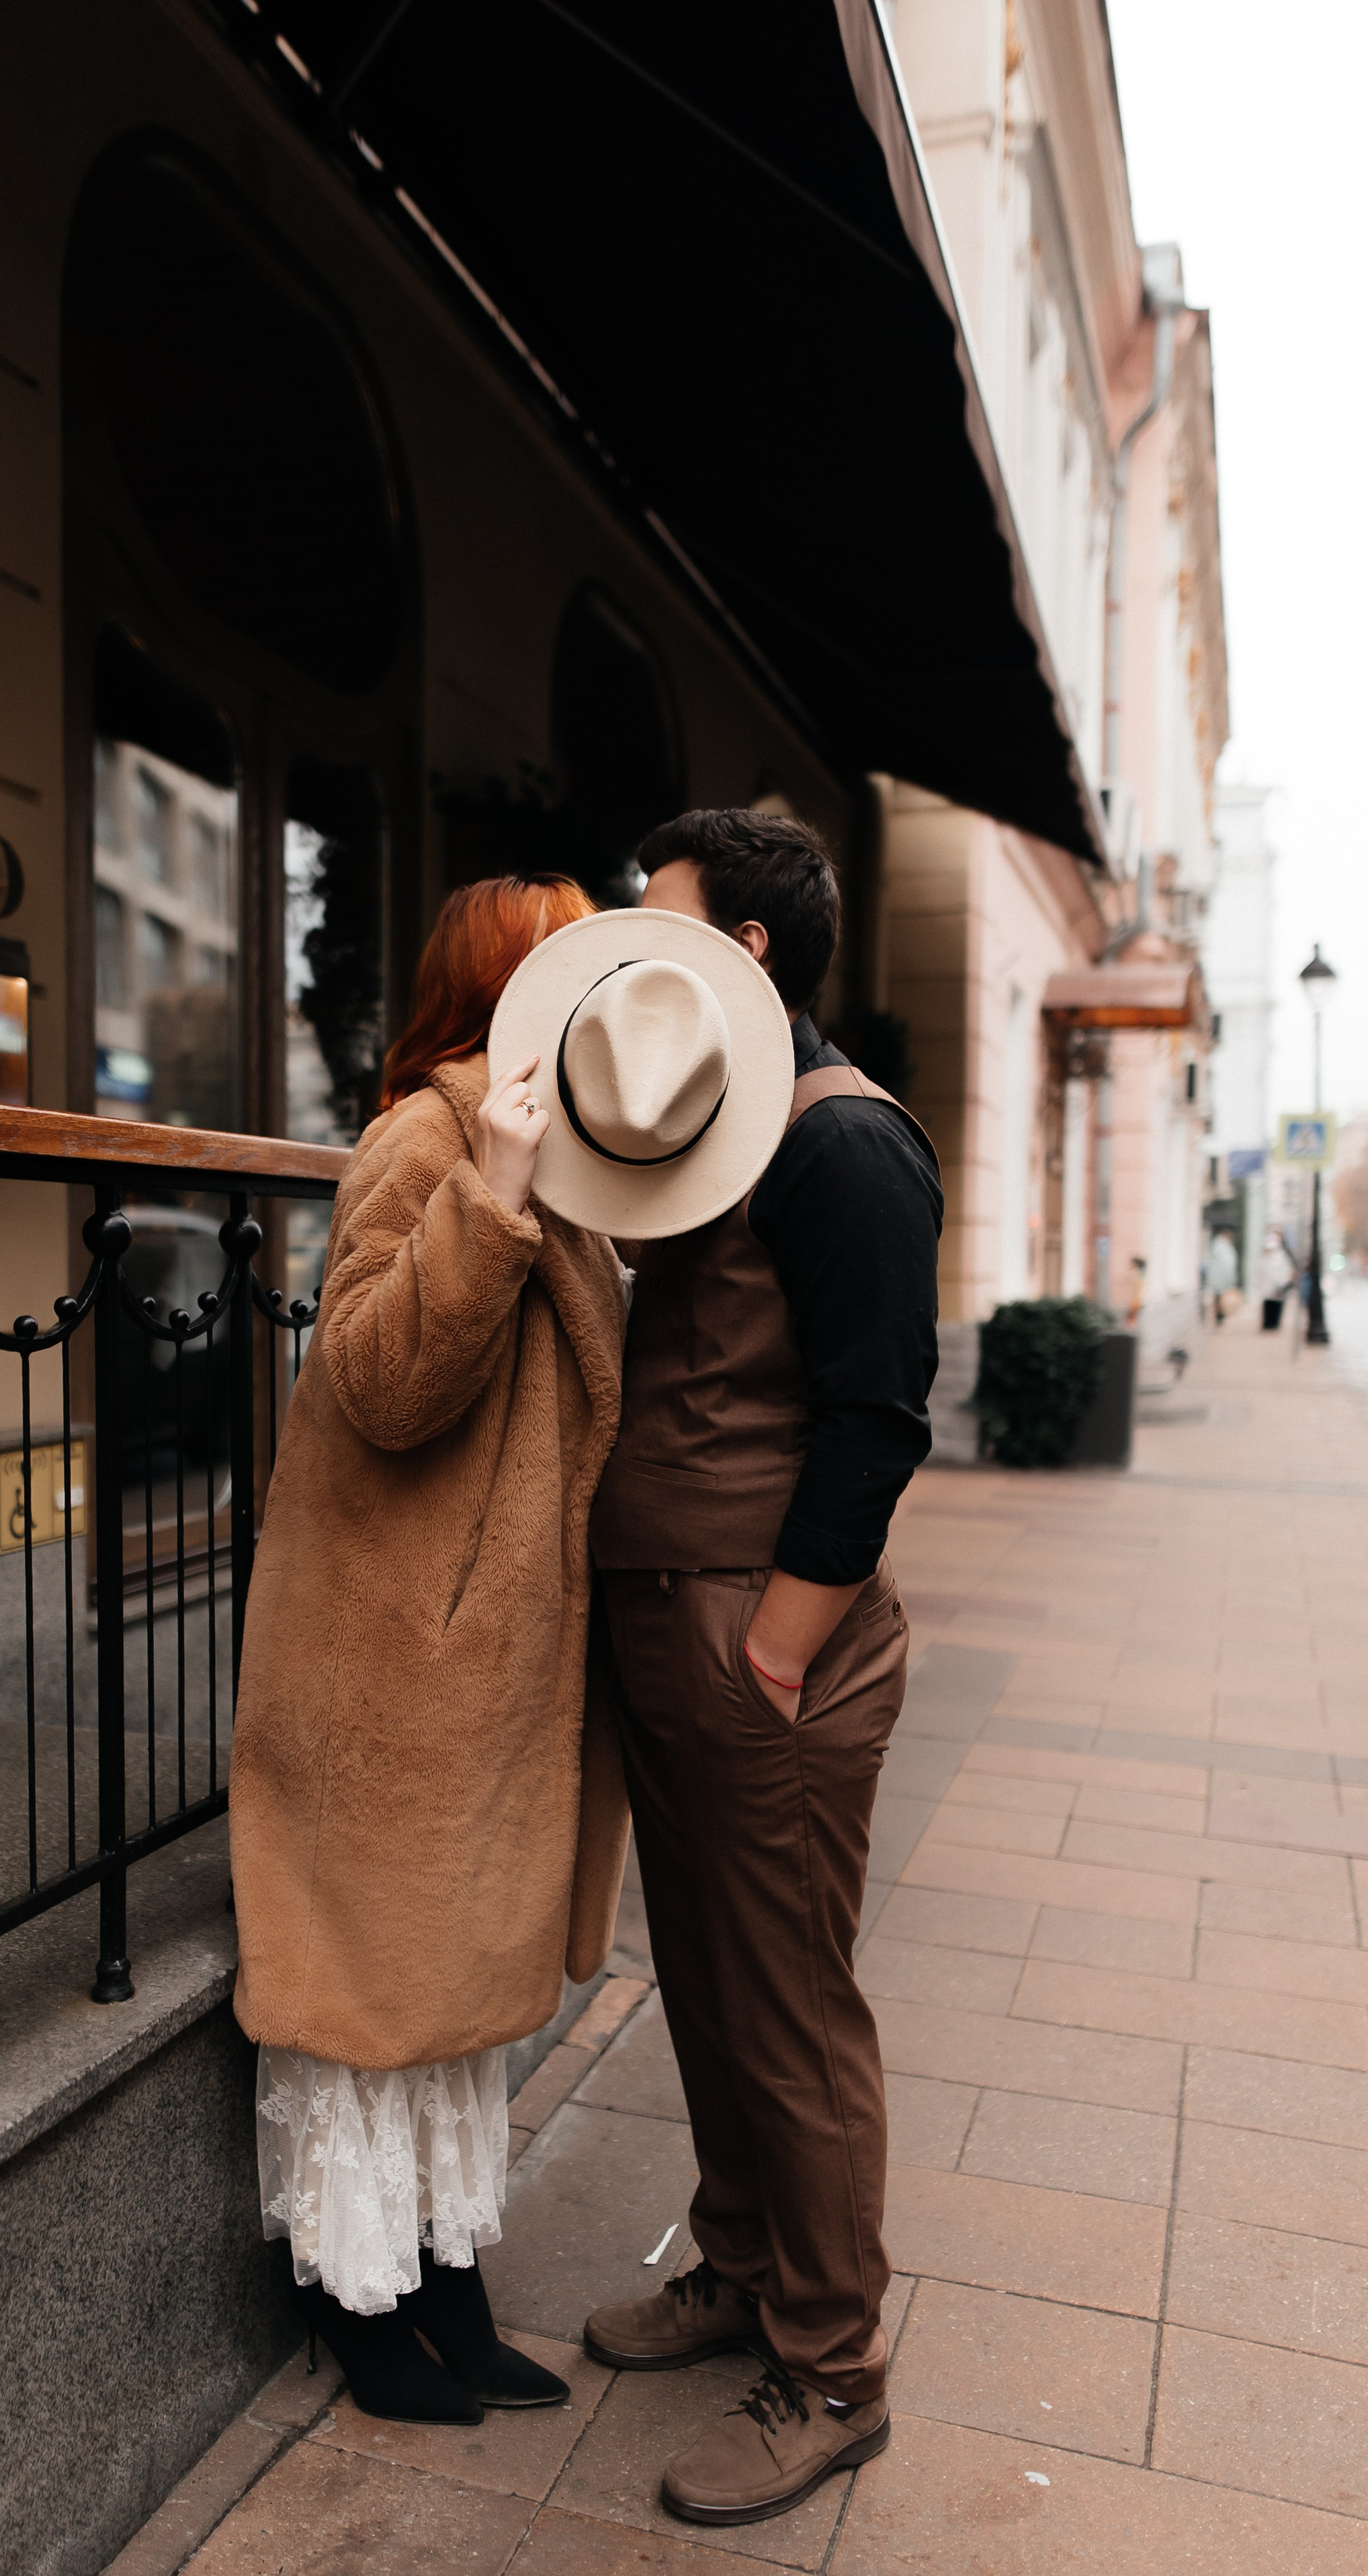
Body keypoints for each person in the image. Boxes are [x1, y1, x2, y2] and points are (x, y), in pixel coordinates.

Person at [227, 874, 632, 2428]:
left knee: (447, 2003)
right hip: (392, 1659)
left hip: (482, 1662)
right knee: (368, 2002)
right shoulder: (424, 1136)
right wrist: (494, 1193)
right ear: (504, 984)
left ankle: (444, 2285)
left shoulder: (549, 1152)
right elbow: (382, 1381)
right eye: (569, 958)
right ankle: (352, 2303)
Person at [578, 809, 943, 2529]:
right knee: (713, 1985)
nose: (634, 955)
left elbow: (875, 1424)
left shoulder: (842, 1143)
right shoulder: (715, 1119)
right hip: (680, 1621)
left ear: (753, 954)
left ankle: (834, 2371)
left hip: (758, 1642)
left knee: (788, 2010)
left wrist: (774, 1649)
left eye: (662, 926)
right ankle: (738, 2266)